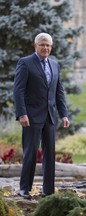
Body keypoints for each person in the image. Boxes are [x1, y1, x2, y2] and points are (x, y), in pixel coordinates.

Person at [13, 33, 70, 199]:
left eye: (48, 45)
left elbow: (59, 92)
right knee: (30, 153)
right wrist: (22, 114)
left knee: (50, 155)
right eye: (42, 45)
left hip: (50, 117)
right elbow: (18, 90)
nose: (46, 48)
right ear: (35, 46)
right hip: (31, 117)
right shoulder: (25, 63)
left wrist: (64, 114)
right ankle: (24, 189)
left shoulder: (54, 65)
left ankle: (49, 191)